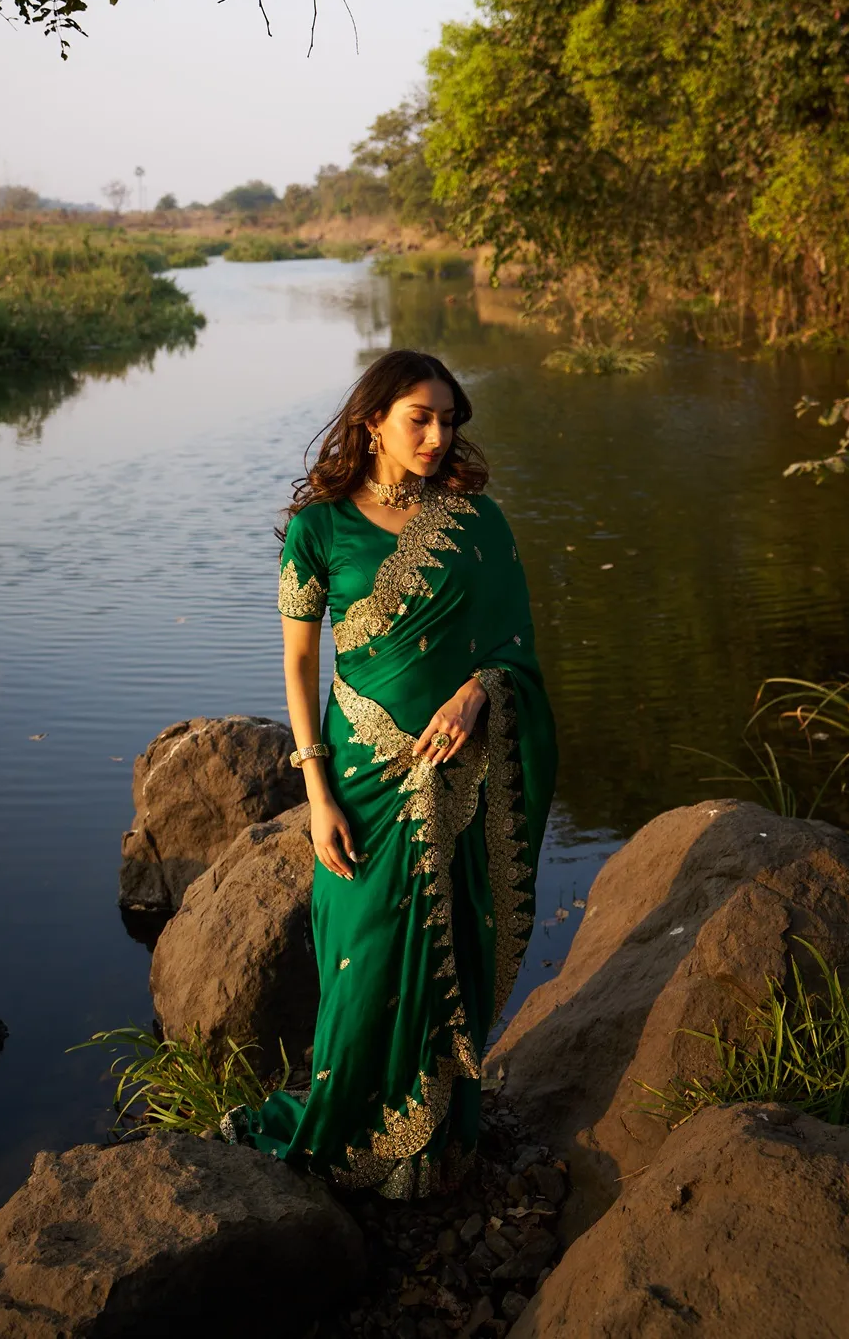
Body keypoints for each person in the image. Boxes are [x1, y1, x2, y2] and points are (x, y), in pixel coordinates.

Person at [222, 348, 557, 1199]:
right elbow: (300, 665)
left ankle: (431, 1148)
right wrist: (315, 790)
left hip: (456, 769)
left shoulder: (477, 522)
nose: (438, 436)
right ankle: (347, 1134)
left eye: (448, 420)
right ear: (373, 421)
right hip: (360, 774)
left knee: (452, 943)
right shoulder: (319, 531)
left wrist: (480, 694)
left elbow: (514, 646)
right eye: (420, 418)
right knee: (364, 953)